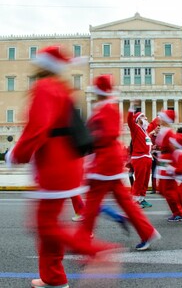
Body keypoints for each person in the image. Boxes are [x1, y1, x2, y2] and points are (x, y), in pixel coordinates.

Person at [5, 46, 120, 288]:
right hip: (67, 164)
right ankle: (53, 278)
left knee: (45, 225)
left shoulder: (45, 87)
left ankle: (98, 251)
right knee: (49, 226)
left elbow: (38, 127)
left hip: (54, 166)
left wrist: (16, 154)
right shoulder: (61, 88)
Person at [77, 75, 160, 251]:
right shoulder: (108, 108)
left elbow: (108, 134)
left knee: (92, 204)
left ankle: (83, 241)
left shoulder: (107, 109)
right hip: (109, 164)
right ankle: (147, 232)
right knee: (125, 203)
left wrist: (88, 139)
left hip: (104, 165)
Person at [155, 110, 182, 222]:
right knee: (163, 189)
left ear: (165, 119)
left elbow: (174, 147)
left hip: (168, 162)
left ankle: (179, 212)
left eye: (161, 117)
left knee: (168, 190)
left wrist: (175, 163)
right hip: (164, 161)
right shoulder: (164, 131)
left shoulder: (168, 132)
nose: (159, 118)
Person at [127, 102, 153, 208]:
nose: (146, 118)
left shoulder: (145, 131)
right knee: (139, 180)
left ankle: (142, 199)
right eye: (143, 116)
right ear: (138, 119)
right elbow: (129, 121)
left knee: (145, 180)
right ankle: (135, 201)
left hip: (147, 157)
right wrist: (131, 109)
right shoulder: (135, 128)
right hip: (139, 158)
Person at [147, 117, 161, 194]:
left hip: (161, 156)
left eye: (159, 128)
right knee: (154, 173)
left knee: (161, 172)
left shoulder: (162, 136)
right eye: (157, 128)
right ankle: (154, 188)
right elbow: (148, 145)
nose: (158, 129)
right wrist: (152, 147)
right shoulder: (150, 136)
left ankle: (161, 188)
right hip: (153, 155)